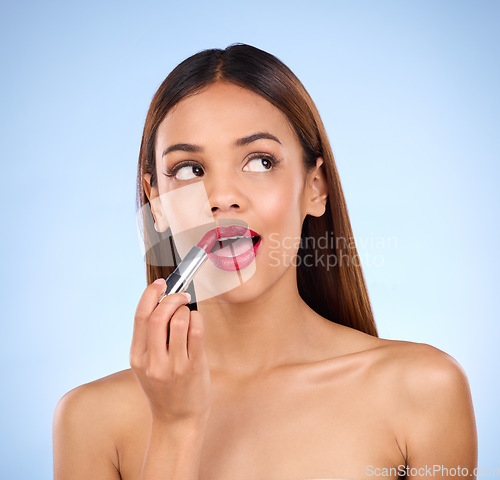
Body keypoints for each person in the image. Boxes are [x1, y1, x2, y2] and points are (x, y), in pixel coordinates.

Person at [53, 43, 477, 480]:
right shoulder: (89, 421)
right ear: (155, 204)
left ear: (315, 187)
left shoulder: (425, 390)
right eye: (188, 170)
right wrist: (174, 428)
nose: (221, 198)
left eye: (260, 161)